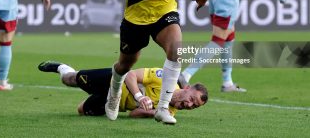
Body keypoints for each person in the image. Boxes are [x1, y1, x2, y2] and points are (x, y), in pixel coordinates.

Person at [103, 0, 210, 124]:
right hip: (136, 20)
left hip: (164, 15)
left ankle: (163, 108)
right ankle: (114, 95)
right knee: (125, 65)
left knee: (176, 50)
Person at [38, 61, 208, 118]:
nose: (189, 105)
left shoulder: (169, 113)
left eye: (194, 106)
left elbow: (133, 115)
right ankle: (61, 67)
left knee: (81, 110)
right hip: (112, 81)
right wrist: (140, 96)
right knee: (70, 80)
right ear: (186, 88)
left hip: (115, 103)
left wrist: (153, 112)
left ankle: (94, 97)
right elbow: (130, 75)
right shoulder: (164, 77)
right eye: (192, 99)